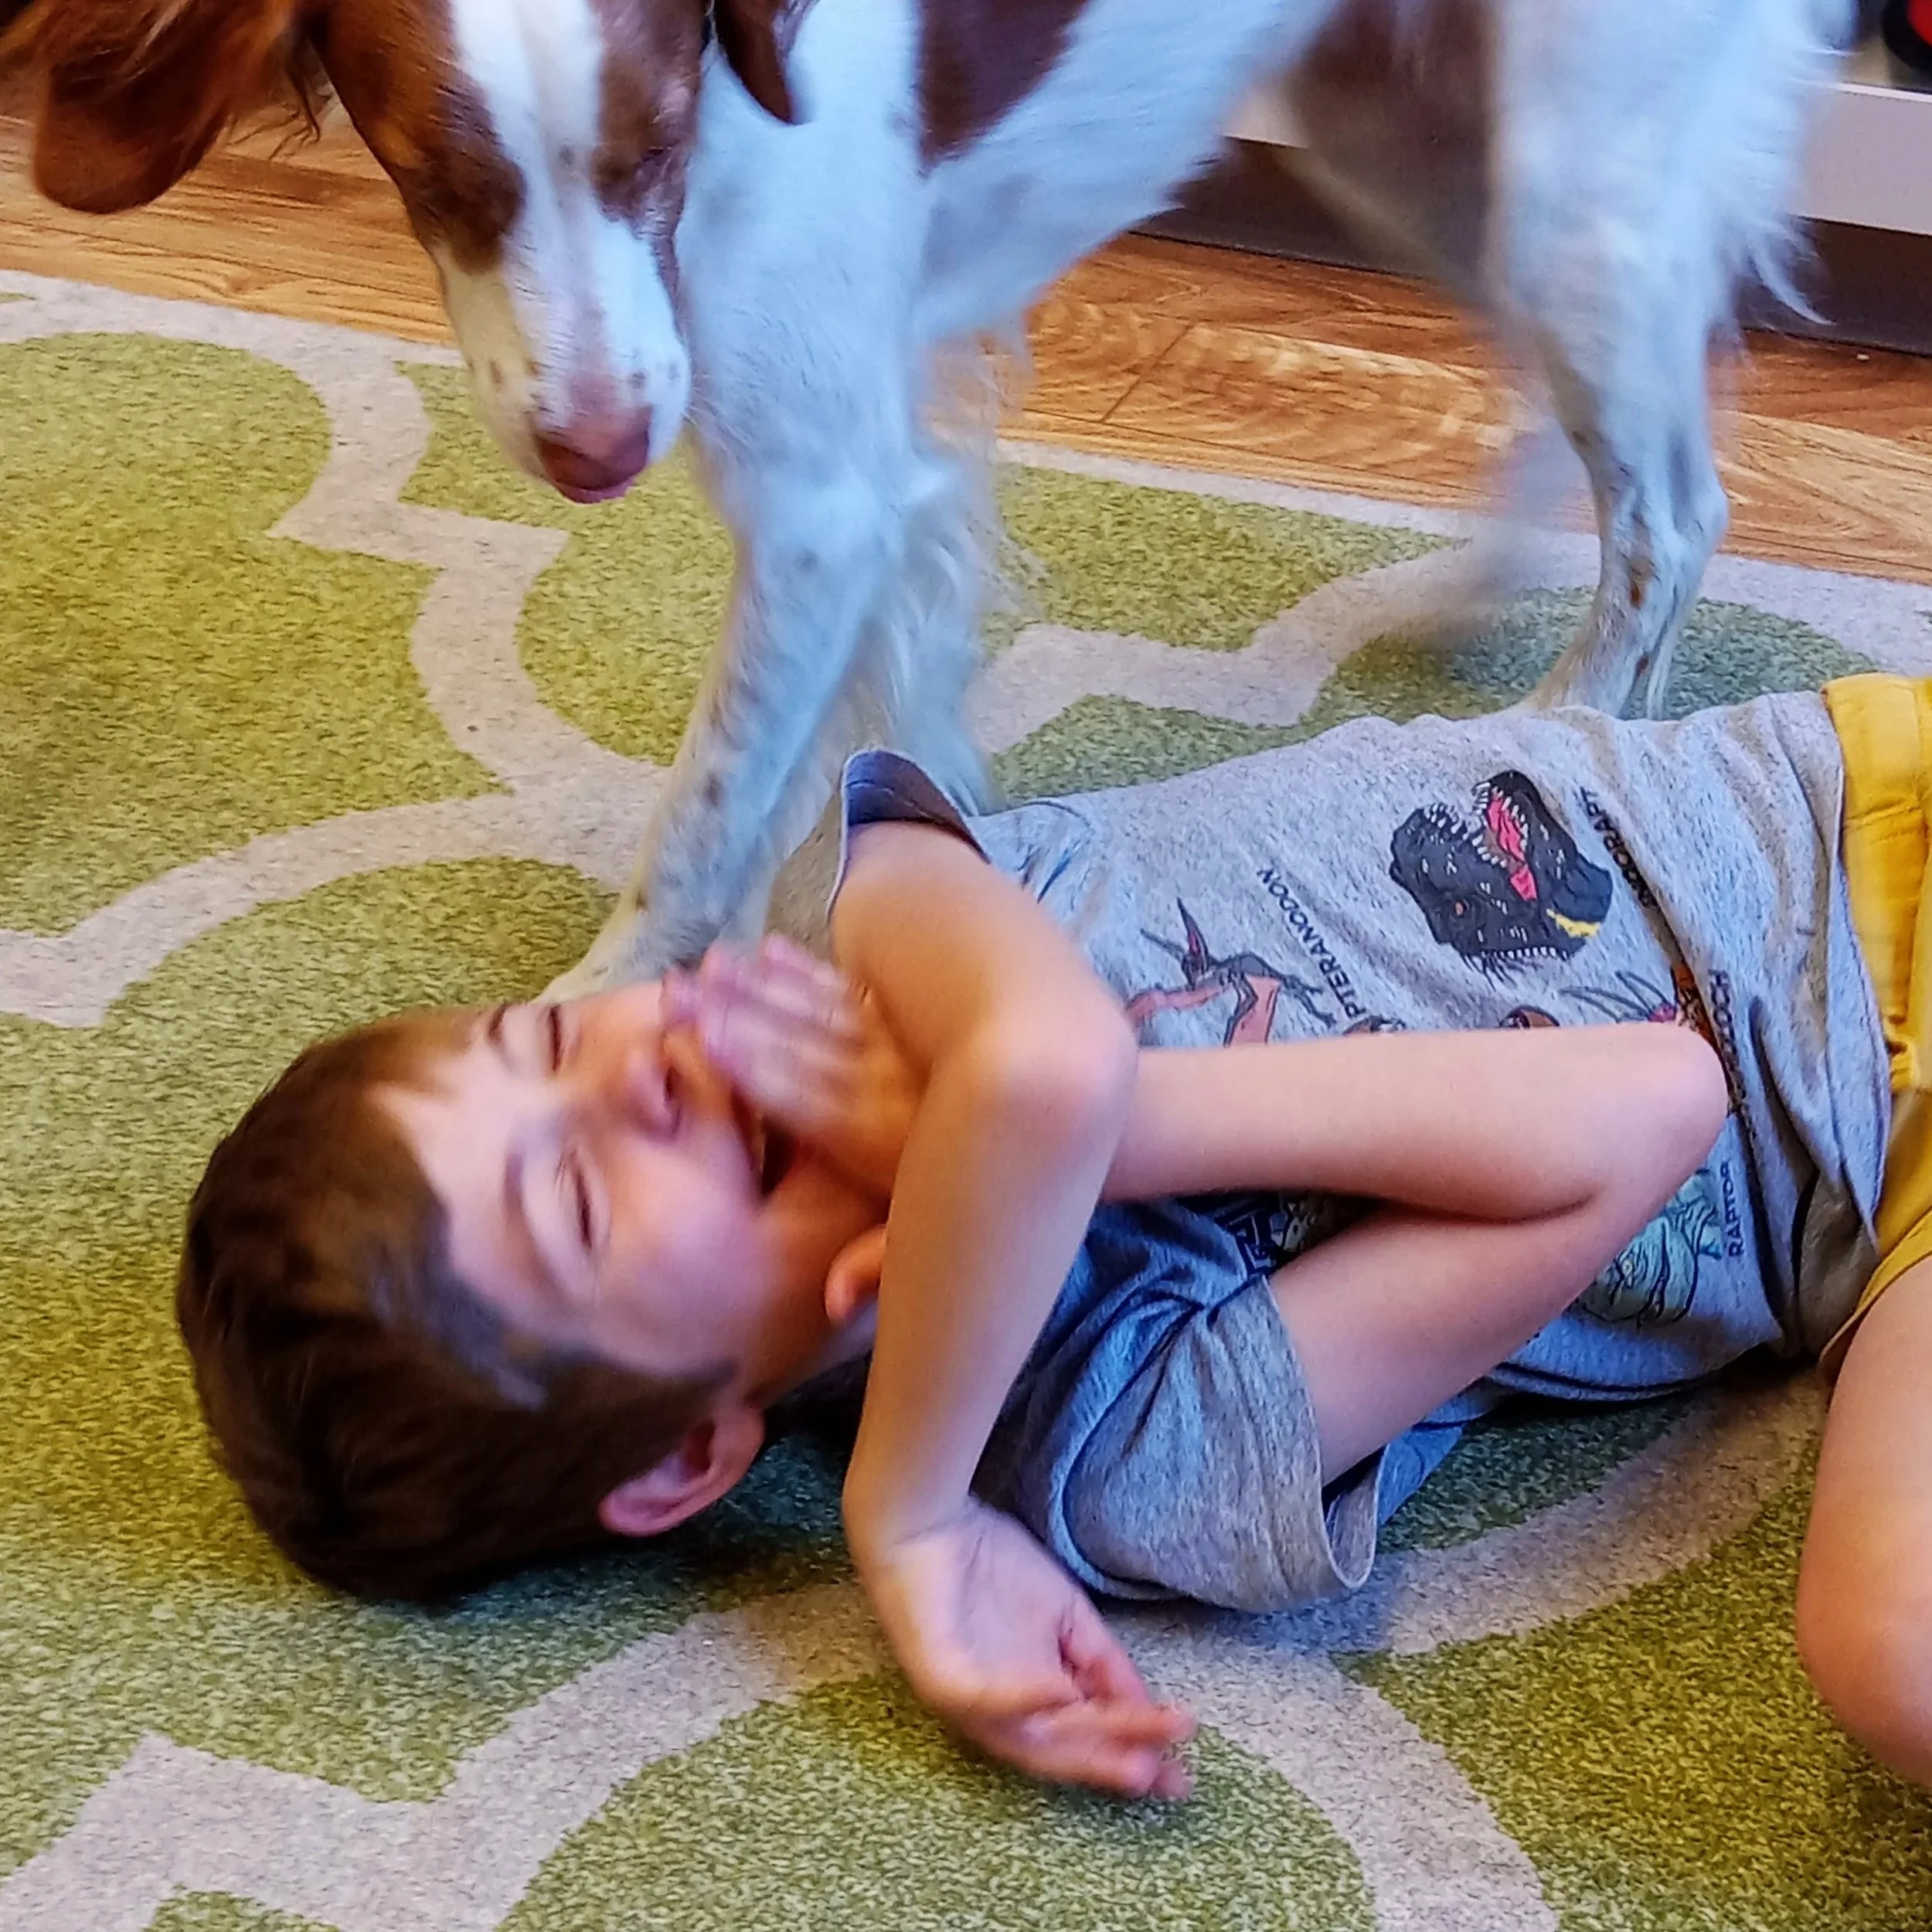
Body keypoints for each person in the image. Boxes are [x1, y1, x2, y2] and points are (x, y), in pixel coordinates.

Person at [176, 672, 1932, 1802]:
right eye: (572, 1195)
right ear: (684, 1451)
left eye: (551, 1036)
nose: (632, 1073)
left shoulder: (854, 920)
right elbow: (1648, 1105)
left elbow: (1041, 1066)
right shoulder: (1111, 1443)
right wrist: (1077, 1204)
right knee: (1888, 1650)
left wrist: (907, 1506)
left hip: (1850, 831)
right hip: (1882, 1187)